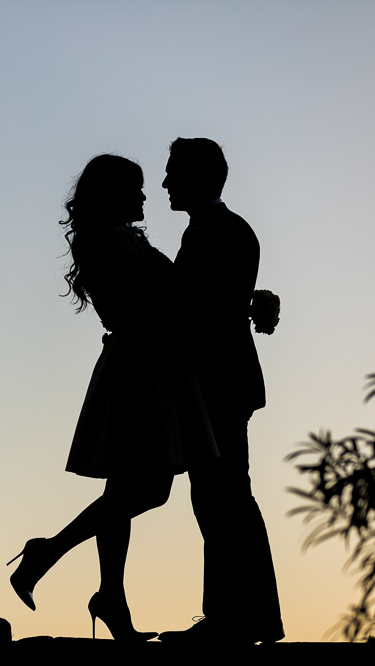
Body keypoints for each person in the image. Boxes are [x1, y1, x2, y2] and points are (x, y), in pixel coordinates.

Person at [8, 154, 216, 640]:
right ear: (114, 195)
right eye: (136, 189)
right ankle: (56, 556)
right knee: (147, 489)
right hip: (145, 366)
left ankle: (109, 594)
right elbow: (165, 301)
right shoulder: (117, 243)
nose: (145, 198)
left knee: (125, 489)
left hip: (135, 362)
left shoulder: (101, 242)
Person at [156, 138, 284, 644]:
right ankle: (243, 617)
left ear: (197, 177)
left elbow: (203, 309)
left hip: (217, 385)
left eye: (172, 173)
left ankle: (234, 619)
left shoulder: (219, 232)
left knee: (222, 498)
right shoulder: (220, 230)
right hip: (221, 383)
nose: (165, 184)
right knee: (223, 498)